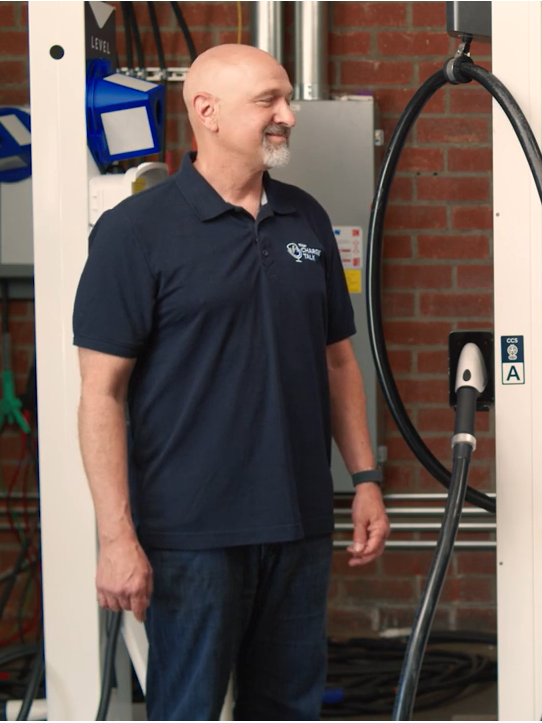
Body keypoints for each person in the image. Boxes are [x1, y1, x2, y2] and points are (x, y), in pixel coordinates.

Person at [72, 44, 390, 720]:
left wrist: (365, 478)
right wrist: (115, 537)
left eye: (287, 99)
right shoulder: (135, 233)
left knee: (289, 708)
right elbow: (100, 393)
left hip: (299, 524)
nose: (288, 116)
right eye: (268, 101)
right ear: (207, 112)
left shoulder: (305, 219)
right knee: (187, 708)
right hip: (192, 533)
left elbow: (339, 361)